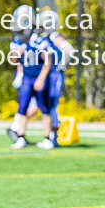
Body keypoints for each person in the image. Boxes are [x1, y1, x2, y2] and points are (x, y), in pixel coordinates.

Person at [7, 5, 53, 150]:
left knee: (45, 108)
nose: (18, 33)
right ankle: (20, 137)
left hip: (38, 77)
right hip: (26, 78)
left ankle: (48, 138)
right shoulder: (17, 43)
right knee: (22, 108)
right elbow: (12, 61)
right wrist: (17, 53)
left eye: (20, 29)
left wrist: (41, 78)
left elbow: (48, 60)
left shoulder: (37, 41)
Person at [37, 9, 75, 148]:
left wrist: (61, 65)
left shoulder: (54, 36)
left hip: (55, 75)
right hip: (50, 74)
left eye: (42, 26)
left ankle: (52, 138)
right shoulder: (47, 38)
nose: (40, 29)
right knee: (49, 106)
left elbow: (69, 50)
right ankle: (52, 138)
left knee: (52, 106)